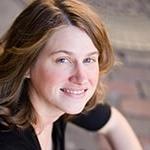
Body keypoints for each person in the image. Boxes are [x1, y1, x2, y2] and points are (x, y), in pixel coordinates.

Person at [0, 0, 143, 150]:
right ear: (26, 65)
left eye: (88, 59)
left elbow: (114, 123)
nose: (81, 78)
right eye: (63, 60)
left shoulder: (54, 100)